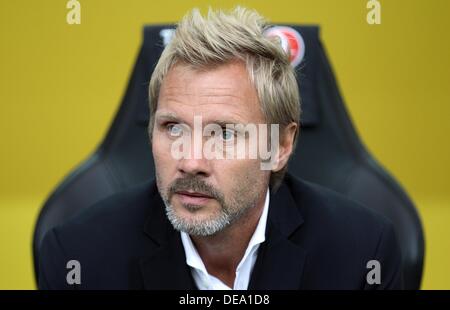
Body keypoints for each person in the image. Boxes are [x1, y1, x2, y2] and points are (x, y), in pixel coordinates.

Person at [38, 7, 402, 290]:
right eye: (173, 127)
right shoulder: (80, 259)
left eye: (224, 133)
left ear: (280, 145)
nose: (191, 161)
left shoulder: (362, 255)